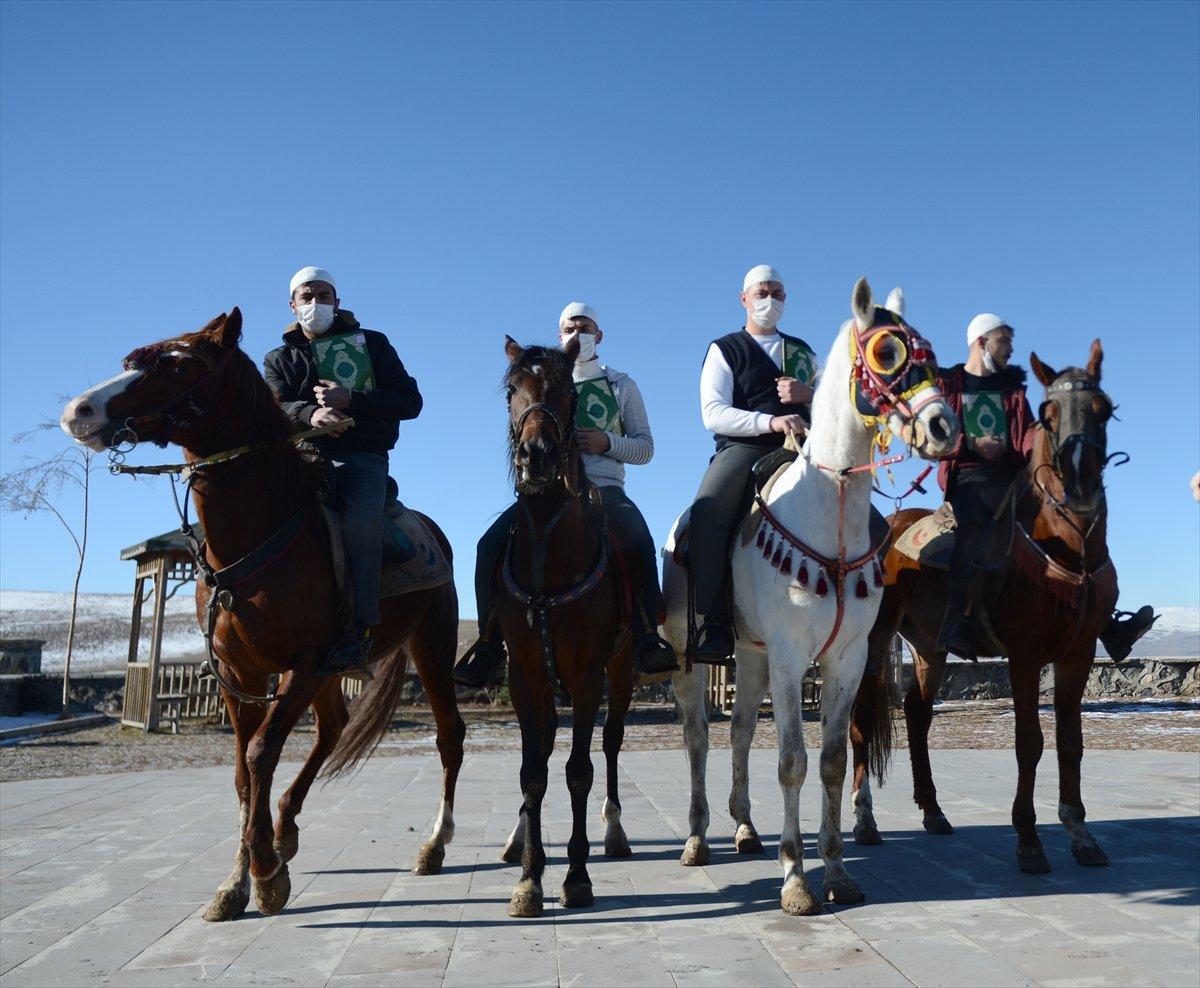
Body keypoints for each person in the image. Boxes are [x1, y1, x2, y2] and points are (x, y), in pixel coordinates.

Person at [454, 301, 678, 689]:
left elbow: (646, 447)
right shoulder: (540, 381)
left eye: (585, 327)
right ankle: (490, 644)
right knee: (487, 544)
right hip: (546, 491)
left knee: (639, 536)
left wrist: (607, 441)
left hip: (605, 488)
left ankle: (646, 636)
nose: (578, 334)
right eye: (570, 328)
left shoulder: (622, 383)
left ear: (599, 335)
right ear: (559, 336)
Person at [936, 313, 1155, 661]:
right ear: (981, 342)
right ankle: (957, 620)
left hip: (1018, 478)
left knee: (1070, 524)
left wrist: (1043, 446)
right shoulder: (950, 384)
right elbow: (935, 437)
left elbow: (1025, 435)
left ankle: (1104, 622)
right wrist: (974, 444)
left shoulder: (1012, 388)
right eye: (1004, 340)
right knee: (974, 529)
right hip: (970, 477)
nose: (1010, 349)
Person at [264, 266, 423, 675]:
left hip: (361, 459)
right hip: (299, 458)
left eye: (325, 296)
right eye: (307, 296)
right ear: (292, 304)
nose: (316, 304)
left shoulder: (373, 345)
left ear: (337, 300)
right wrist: (310, 412)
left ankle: (358, 632)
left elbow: (410, 401)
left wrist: (351, 399)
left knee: (359, 526)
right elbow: (273, 408)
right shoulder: (278, 359)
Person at [689, 264, 817, 664]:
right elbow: (713, 413)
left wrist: (808, 393)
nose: (771, 301)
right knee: (707, 514)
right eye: (763, 293)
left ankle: (867, 619)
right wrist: (771, 420)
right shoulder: (725, 348)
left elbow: (836, 405)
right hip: (744, 450)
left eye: (779, 294)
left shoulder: (803, 352)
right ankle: (716, 622)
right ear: (744, 298)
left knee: (862, 512)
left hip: (806, 450)